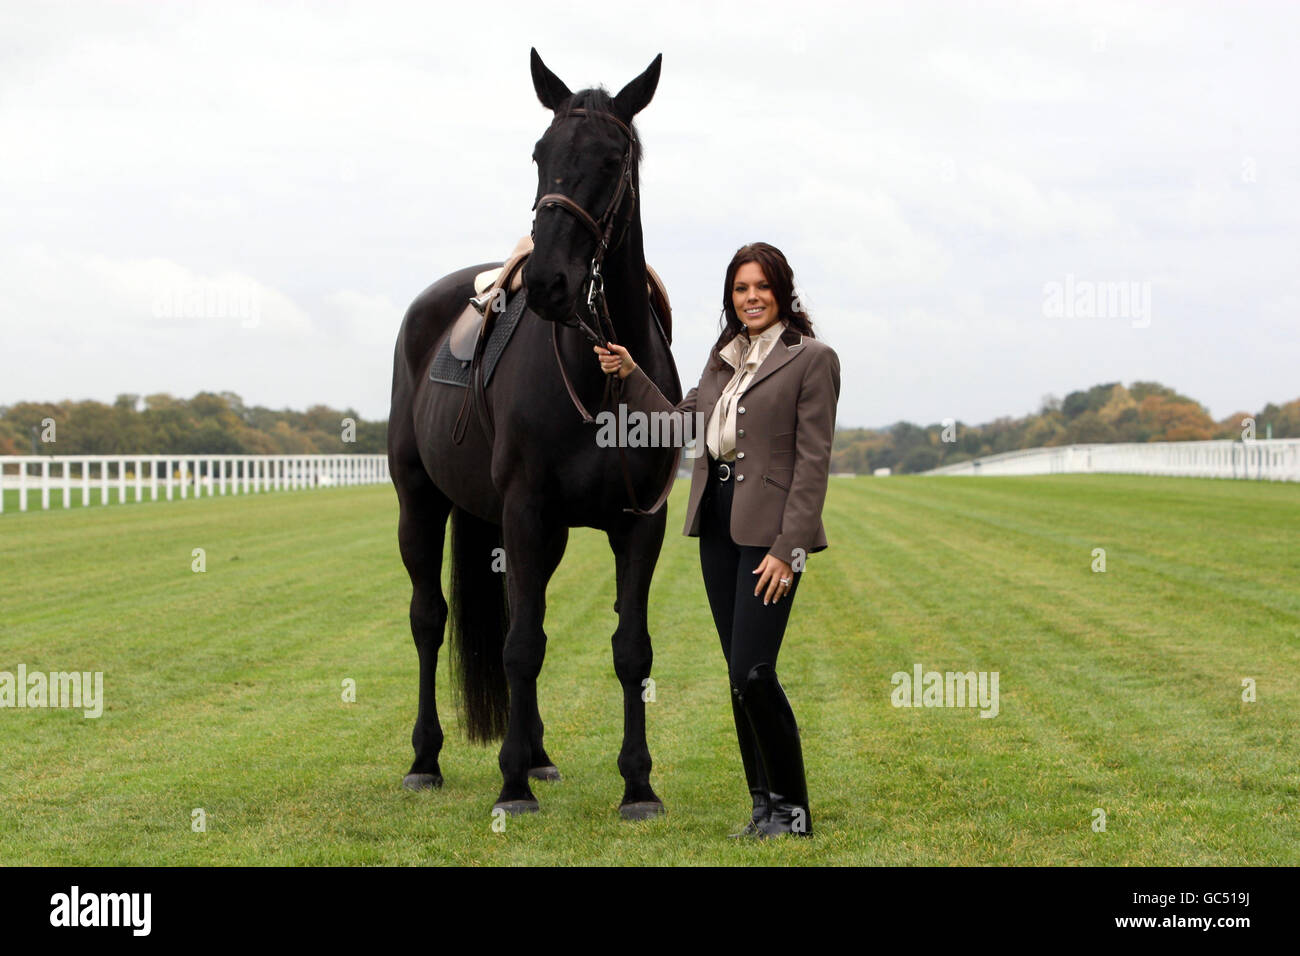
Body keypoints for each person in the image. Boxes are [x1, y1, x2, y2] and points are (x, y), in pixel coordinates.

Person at [594, 242, 840, 837]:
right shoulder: (721, 359)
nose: (750, 298)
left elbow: (813, 465)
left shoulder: (813, 359)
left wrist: (789, 548)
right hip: (718, 522)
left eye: (760, 286)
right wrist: (630, 374)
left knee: (756, 671)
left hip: (773, 533)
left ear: (781, 291)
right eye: (739, 289)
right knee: (737, 674)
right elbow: (679, 425)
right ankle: (764, 809)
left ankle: (793, 811)